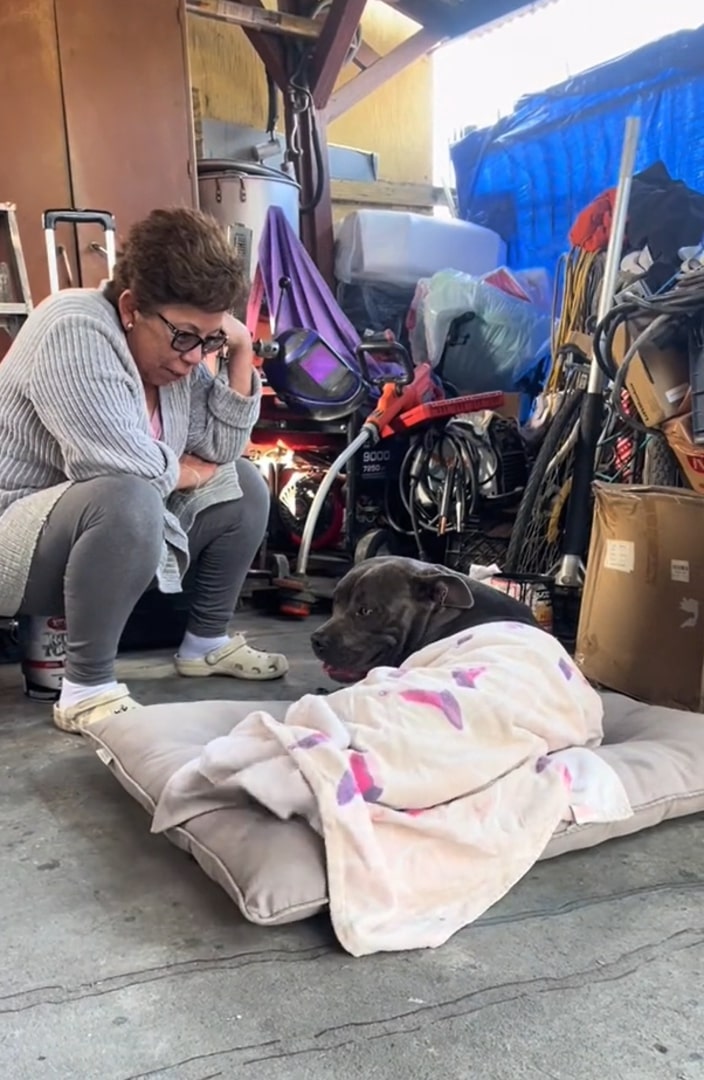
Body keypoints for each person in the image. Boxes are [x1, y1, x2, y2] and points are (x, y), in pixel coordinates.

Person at [0, 206, 289, 732]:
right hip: (16, 536)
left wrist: (241, 350)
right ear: (132, 307)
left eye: (210, 340)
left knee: (242, 483)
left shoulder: (175, 356)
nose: (192, 357)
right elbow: (119, 465)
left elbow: (223, 448)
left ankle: (205, 644)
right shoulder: (74, 327)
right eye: (185, 337)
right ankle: (86, 687)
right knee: (126, 495)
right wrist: (185, 473)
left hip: (99, 531)